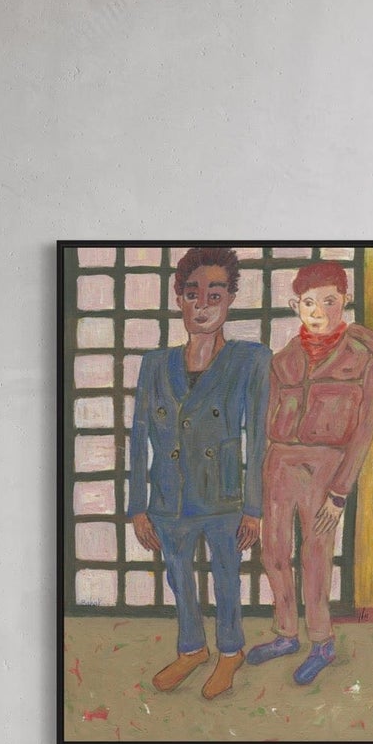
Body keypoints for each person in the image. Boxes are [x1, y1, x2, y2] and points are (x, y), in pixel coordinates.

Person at [127, 246, 270, 700]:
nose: (202, 306)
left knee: (226, 575)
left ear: (230, 299)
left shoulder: (250, 360)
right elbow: (138, 436)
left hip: (223, 493)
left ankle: (230, 650)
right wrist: (137, 506)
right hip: (169, 496)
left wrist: (254, 507)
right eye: (192, 294)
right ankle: (191, 648)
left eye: (214, 294)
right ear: (178, 298)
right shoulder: (154, 365)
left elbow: (259, 437)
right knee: (177, 574)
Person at [246, 260, 373, 684]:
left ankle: (321, 641)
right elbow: (263, 423)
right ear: (295, 305)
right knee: (273, 551)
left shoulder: (366, 353)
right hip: (280, 462)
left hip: (326, 466)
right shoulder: (283, 360)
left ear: (344, 300)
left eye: (329, 301)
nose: (319, 311)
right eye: (309, 302)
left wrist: (340, 489)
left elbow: (366, 427)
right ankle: (287, 632)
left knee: (316, 555)